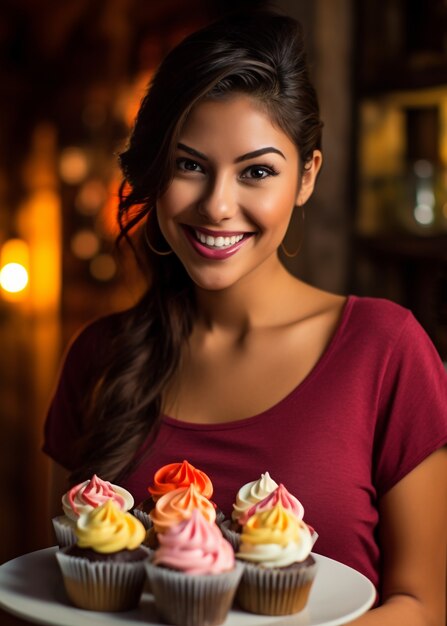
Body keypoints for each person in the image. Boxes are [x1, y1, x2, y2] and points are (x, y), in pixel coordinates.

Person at [43, 9, 447, 625]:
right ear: (155, 171)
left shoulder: (386, 349)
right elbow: (53, 592)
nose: (217, 205)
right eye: (189, 165)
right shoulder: (98, 357)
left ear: (306, 177)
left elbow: (425, 607)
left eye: (257, 171)